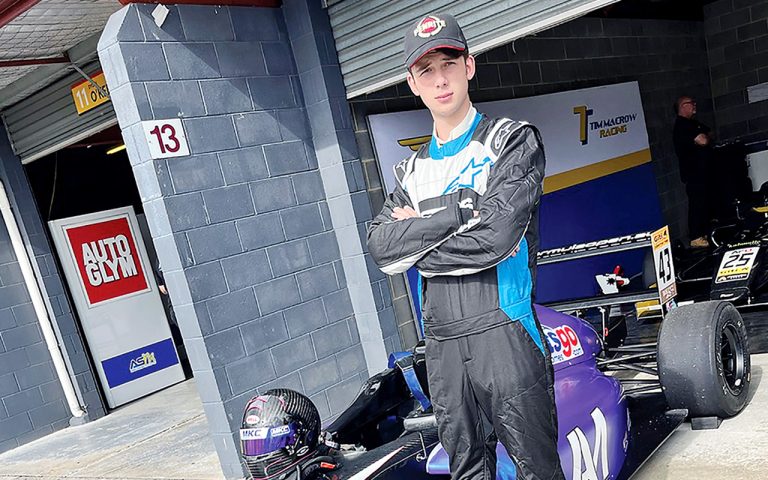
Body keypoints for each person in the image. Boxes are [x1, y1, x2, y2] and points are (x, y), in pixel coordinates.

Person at [366, 13, 564, 480]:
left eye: (449, 64)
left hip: (506, 332)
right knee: (468, 471)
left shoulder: (512, 141)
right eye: (426, 71)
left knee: (537, 470)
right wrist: (460, 212)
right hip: (441, 347)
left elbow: (495, 239)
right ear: (413, 83)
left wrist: (417, 240)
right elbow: (381, 248)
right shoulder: (410, 171)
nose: (440, 80)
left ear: (469, 66)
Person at [673, 96, 713, 248]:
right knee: (696, 203)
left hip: (703, 171)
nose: (694, 105)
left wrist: (704, 137)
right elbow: (703, 140)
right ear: (682, 106)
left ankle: (703, 233)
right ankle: (695, 237)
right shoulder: (682, 126)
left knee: (704, 203)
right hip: (693, 172)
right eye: (691, 103)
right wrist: (703, 138)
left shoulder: (693, 123)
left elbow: (709, 134)